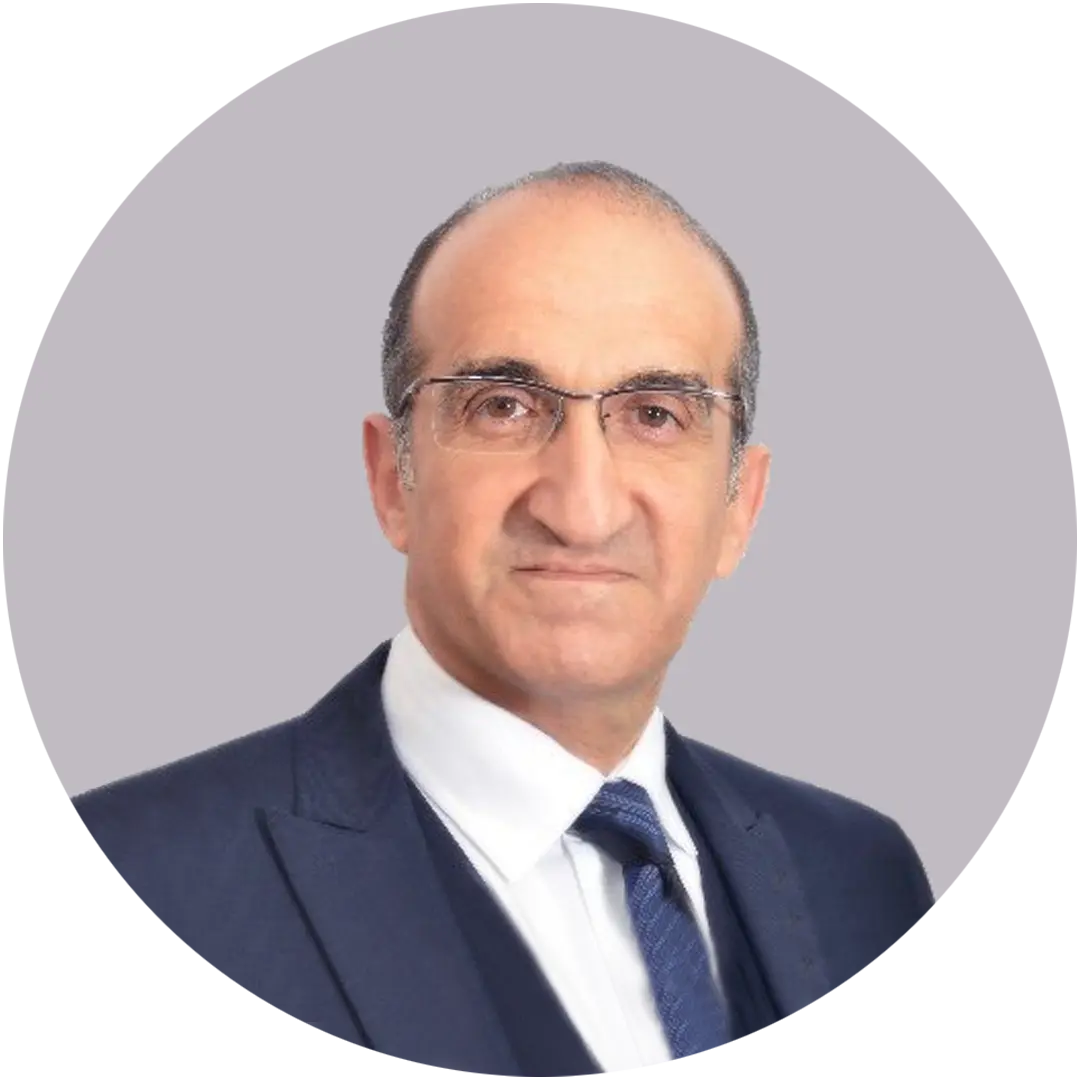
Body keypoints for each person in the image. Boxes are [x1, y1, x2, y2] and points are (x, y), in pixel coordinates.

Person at [68, 161, 935, 1076]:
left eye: (655, 414)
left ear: (740, 507)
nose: (582, 508)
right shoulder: (112, 894)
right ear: (390, 480)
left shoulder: (861, 879)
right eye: (505, 407)